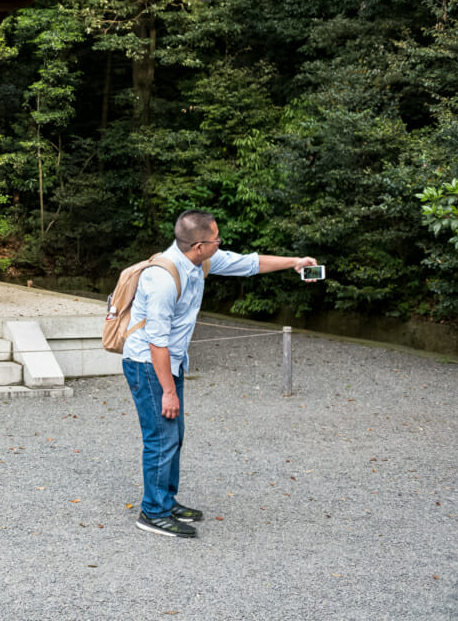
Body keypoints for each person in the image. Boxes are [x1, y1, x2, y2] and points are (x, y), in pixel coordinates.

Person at [122, 209, 318, 538]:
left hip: (172, 361)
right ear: (198, 245)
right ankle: (152, 512)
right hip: (149, 365)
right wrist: (168, 391)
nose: (220, 244)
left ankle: (165, 501)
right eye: (216, 240)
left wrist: (295, 261)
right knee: (161, 438)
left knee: (174, 435)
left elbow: (249, 263)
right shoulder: (162, 281)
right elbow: (156, 343)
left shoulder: (201, 260)